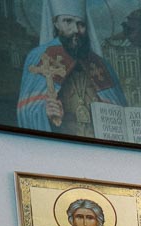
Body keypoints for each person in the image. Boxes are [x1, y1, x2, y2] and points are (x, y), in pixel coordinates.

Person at [16, 0, 128, 137]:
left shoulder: (101, 65)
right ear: (56, 23)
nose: (75, 30)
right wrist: (45, 112)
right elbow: (26, 111)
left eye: (81, 24)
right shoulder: (40, 57)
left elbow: (121, 112)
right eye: (68, 21)